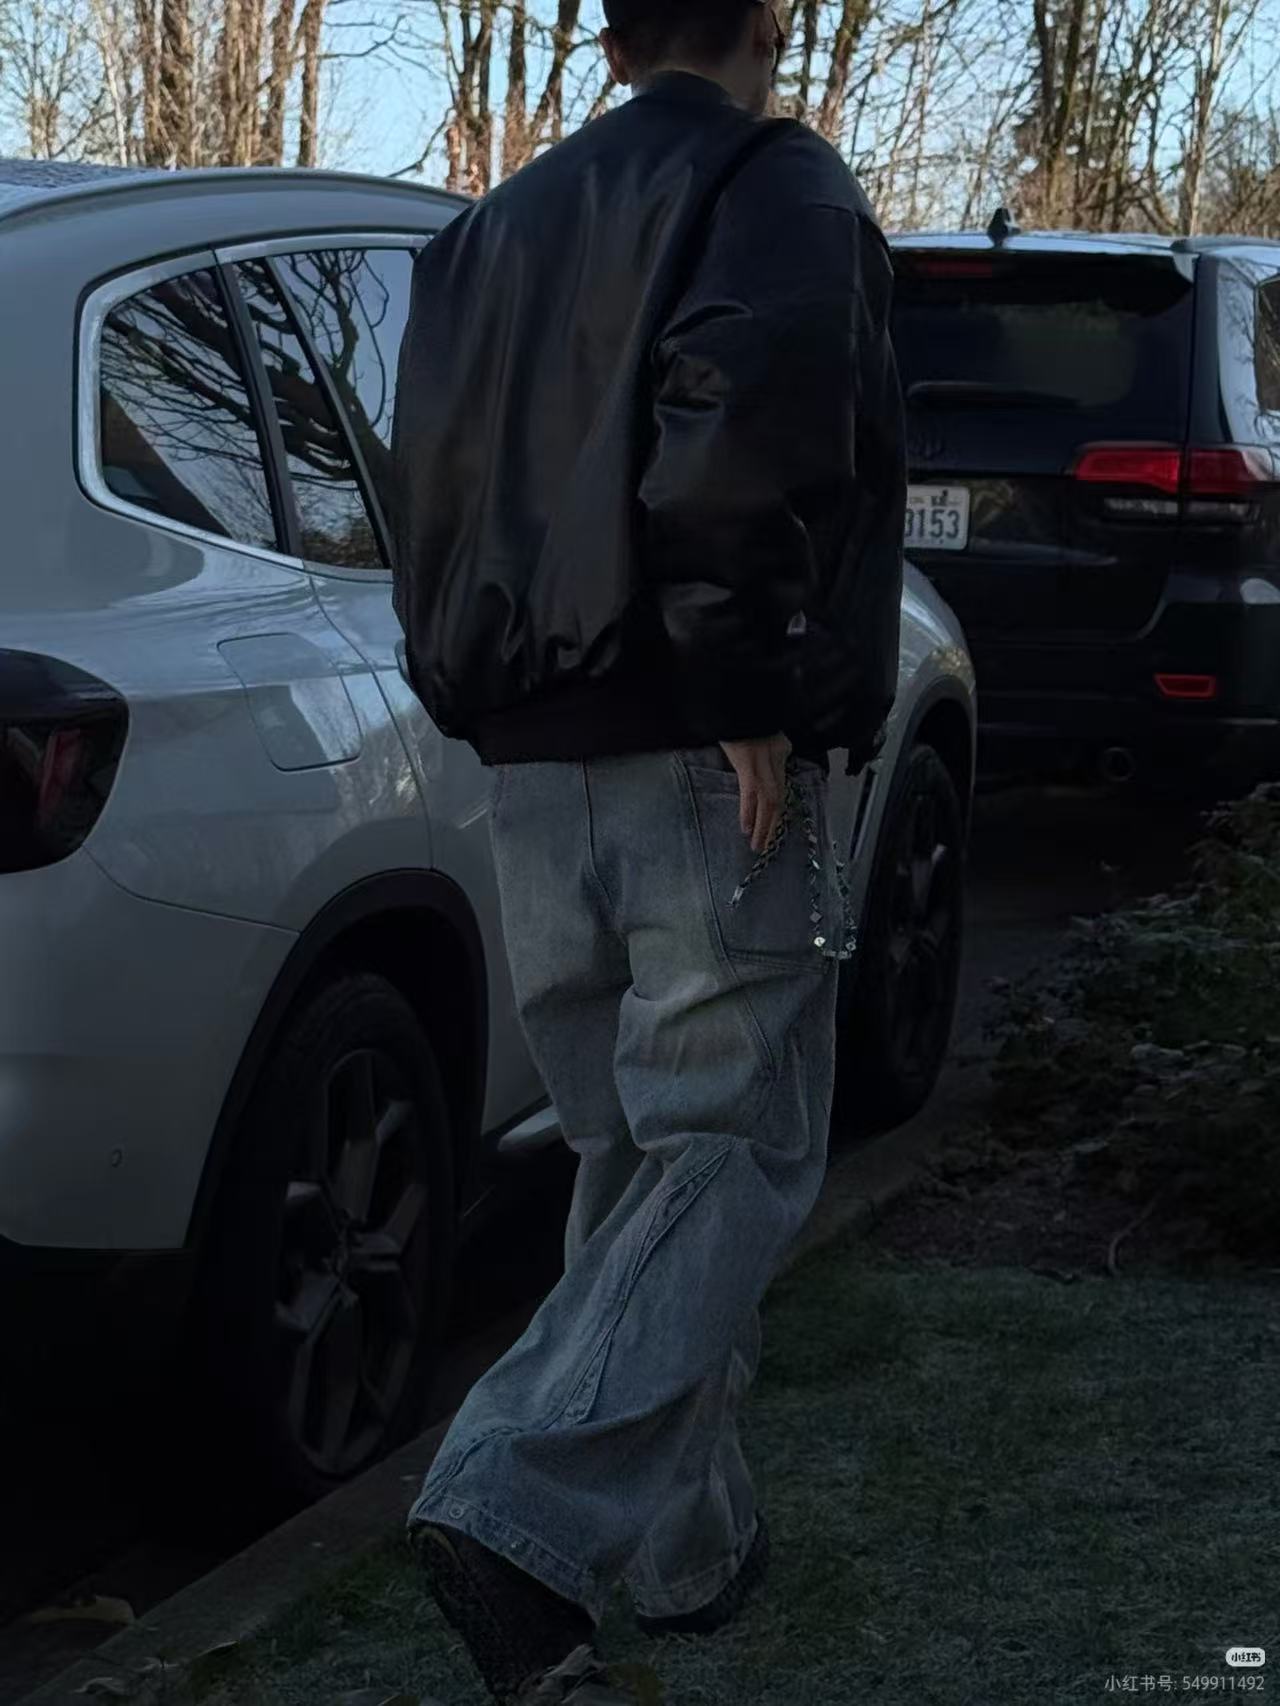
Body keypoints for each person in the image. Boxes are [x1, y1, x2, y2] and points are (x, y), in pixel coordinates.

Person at [390, 1, 905, 1700]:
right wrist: (746, 689)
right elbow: (736, 441)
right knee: (735, 1145)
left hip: (538, 758)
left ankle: (689, 1550)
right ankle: (515, 1507)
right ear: (767, 24)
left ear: (609, 46)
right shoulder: (780, 183)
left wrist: (488, 697)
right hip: (705, 747)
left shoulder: (489, 229)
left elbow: (431, 485)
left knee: (633, 1162)